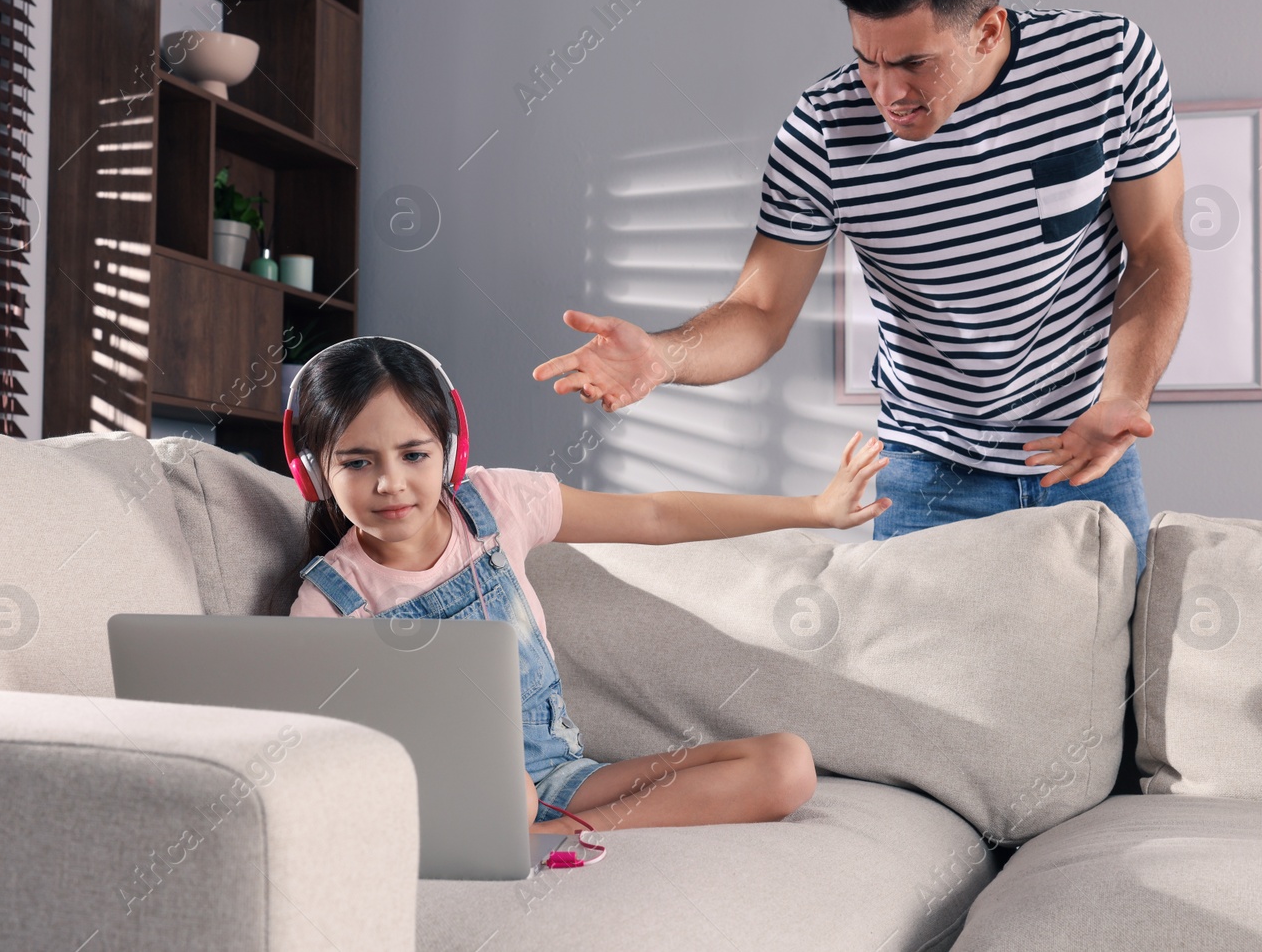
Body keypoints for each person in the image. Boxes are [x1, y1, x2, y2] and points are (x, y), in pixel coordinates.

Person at [532, 0, 1188, 580]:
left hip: (1084, 456)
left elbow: (1158, 251)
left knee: (1113, 686)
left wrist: (1125, 394)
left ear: (988, 30)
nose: (885, 92)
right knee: (912, 687)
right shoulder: (822, 129)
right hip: (927, 476)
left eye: (913, 64)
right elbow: (759, 312)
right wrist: (665, 357)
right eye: (866, 62)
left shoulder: (1108, 65)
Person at [286, 337, 892, 836]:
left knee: (786, 765)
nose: (391, 483)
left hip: (562, 778)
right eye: (358, 462)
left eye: (413, 455)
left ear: (449, 451)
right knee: (511, 796)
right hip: (449, 803)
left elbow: (656, 516)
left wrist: (813, 508)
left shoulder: (496, 505)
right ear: (313, 472)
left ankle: (558, 834)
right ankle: (523, 829)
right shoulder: (330, 600)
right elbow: (324, 756)